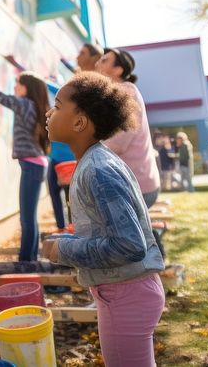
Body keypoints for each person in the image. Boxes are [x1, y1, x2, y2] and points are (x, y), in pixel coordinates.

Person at [42, 73, 165, 366]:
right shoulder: (96, 161)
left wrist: (64, 250)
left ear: (79, 122)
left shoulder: (98, 170)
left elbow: (129, 244)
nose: (48, 113)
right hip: (125, 292)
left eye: (57, 106)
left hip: (125, 296)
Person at [0, 71, 51, 262]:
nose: (14, 86)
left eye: (18, 83)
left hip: (32, 165)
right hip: (35, 164)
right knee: (29, 216)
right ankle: (29, 258)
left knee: (26, 217)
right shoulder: (33, 106)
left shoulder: (24, 104)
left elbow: (0, 97)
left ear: (27, 88)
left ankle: (25, 261)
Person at [95, 48, 162, 207]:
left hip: (136, 188)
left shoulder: (125, 92)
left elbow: (118, 143)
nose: (97, 63)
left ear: (118, 70)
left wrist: (84, 151)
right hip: (135, 185)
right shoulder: (115, 93)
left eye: (104, 60)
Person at [46, 83, 75, 231]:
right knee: (53, 192)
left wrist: (45, 81)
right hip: (54, 159)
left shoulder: (69, 114)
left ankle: (72, 226)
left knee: (71, 197)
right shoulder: (54, 114)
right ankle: (61, 226)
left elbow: (61, 91)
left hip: (69, 161)